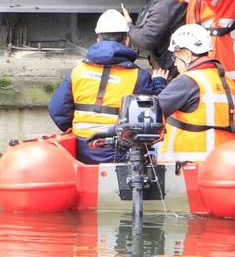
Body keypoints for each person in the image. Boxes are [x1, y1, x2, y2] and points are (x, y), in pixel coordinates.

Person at [48, 9, 168, 164]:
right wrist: (159, 82)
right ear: (126, 40)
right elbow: (152, 113)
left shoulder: (76, 72)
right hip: (121, 150)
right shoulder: (139, 76)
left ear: (98, 39)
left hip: (83, 147)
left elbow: (57, 111)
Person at [155, 24, 235, 164]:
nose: (175, 64)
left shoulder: (187, 81)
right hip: (226, 163)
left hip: (188, 166)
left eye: (175, 58)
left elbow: (152, 112)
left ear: (187, 54)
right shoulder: (227, 82)